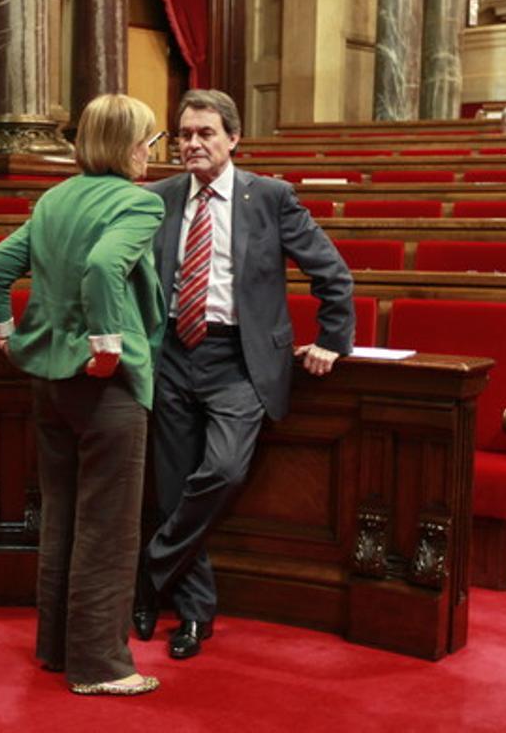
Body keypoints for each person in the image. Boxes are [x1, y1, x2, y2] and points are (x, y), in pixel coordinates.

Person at [133, 88, 355, 660]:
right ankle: (193, 615)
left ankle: (148, 572)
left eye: (206, 133)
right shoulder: (158, 197)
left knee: (224, 471)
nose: (193, 144)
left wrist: (333, 341)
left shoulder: (271, 197)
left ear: (233, 138)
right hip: (174, 358)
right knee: (176, 487)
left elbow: (332, 274)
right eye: (184, 134)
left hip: (240, 360)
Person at [0, 93, 166, 696]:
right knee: (109, 528)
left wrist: (0, 333)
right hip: (105, 385)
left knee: (61, 516)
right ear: (127, 145)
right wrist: (107, 344)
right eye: (147, 140)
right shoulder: (137, 202)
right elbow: (104, 268)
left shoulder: (54, 198)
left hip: (49, 382)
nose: (150, 152)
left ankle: (58, 647)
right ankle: (102, 667)